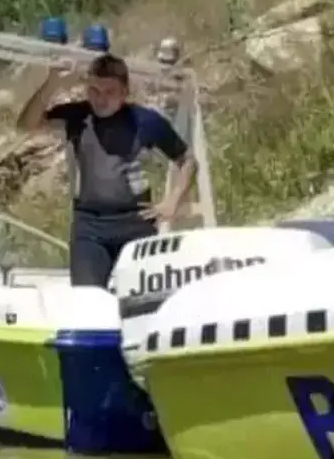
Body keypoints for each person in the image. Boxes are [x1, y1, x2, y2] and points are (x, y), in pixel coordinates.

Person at [17, 53, 198, 288]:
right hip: (90, 226)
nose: (100, 100)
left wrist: (172, 201)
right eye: (94, 91)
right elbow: (25, 125)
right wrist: (53, 82)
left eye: (110, 92)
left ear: (125, 91)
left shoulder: (145, 120)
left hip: (135, 223)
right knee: (87, 300)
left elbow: (187, 159)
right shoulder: (78, 116)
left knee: (138, 299)